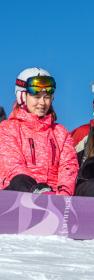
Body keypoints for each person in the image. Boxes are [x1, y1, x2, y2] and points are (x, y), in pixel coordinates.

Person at [0, 67, 78, 195]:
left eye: (47, 97)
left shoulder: (60, 132)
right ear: (22, 96)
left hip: (55, 197)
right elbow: (12, 166)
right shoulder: (8, 128)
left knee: (90, 185)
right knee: (19, 179)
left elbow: (68, 167)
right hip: (18, 195)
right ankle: (42, 195)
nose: (42, 102)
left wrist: (63, 197)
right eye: (37, 97)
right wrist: (41, 193)